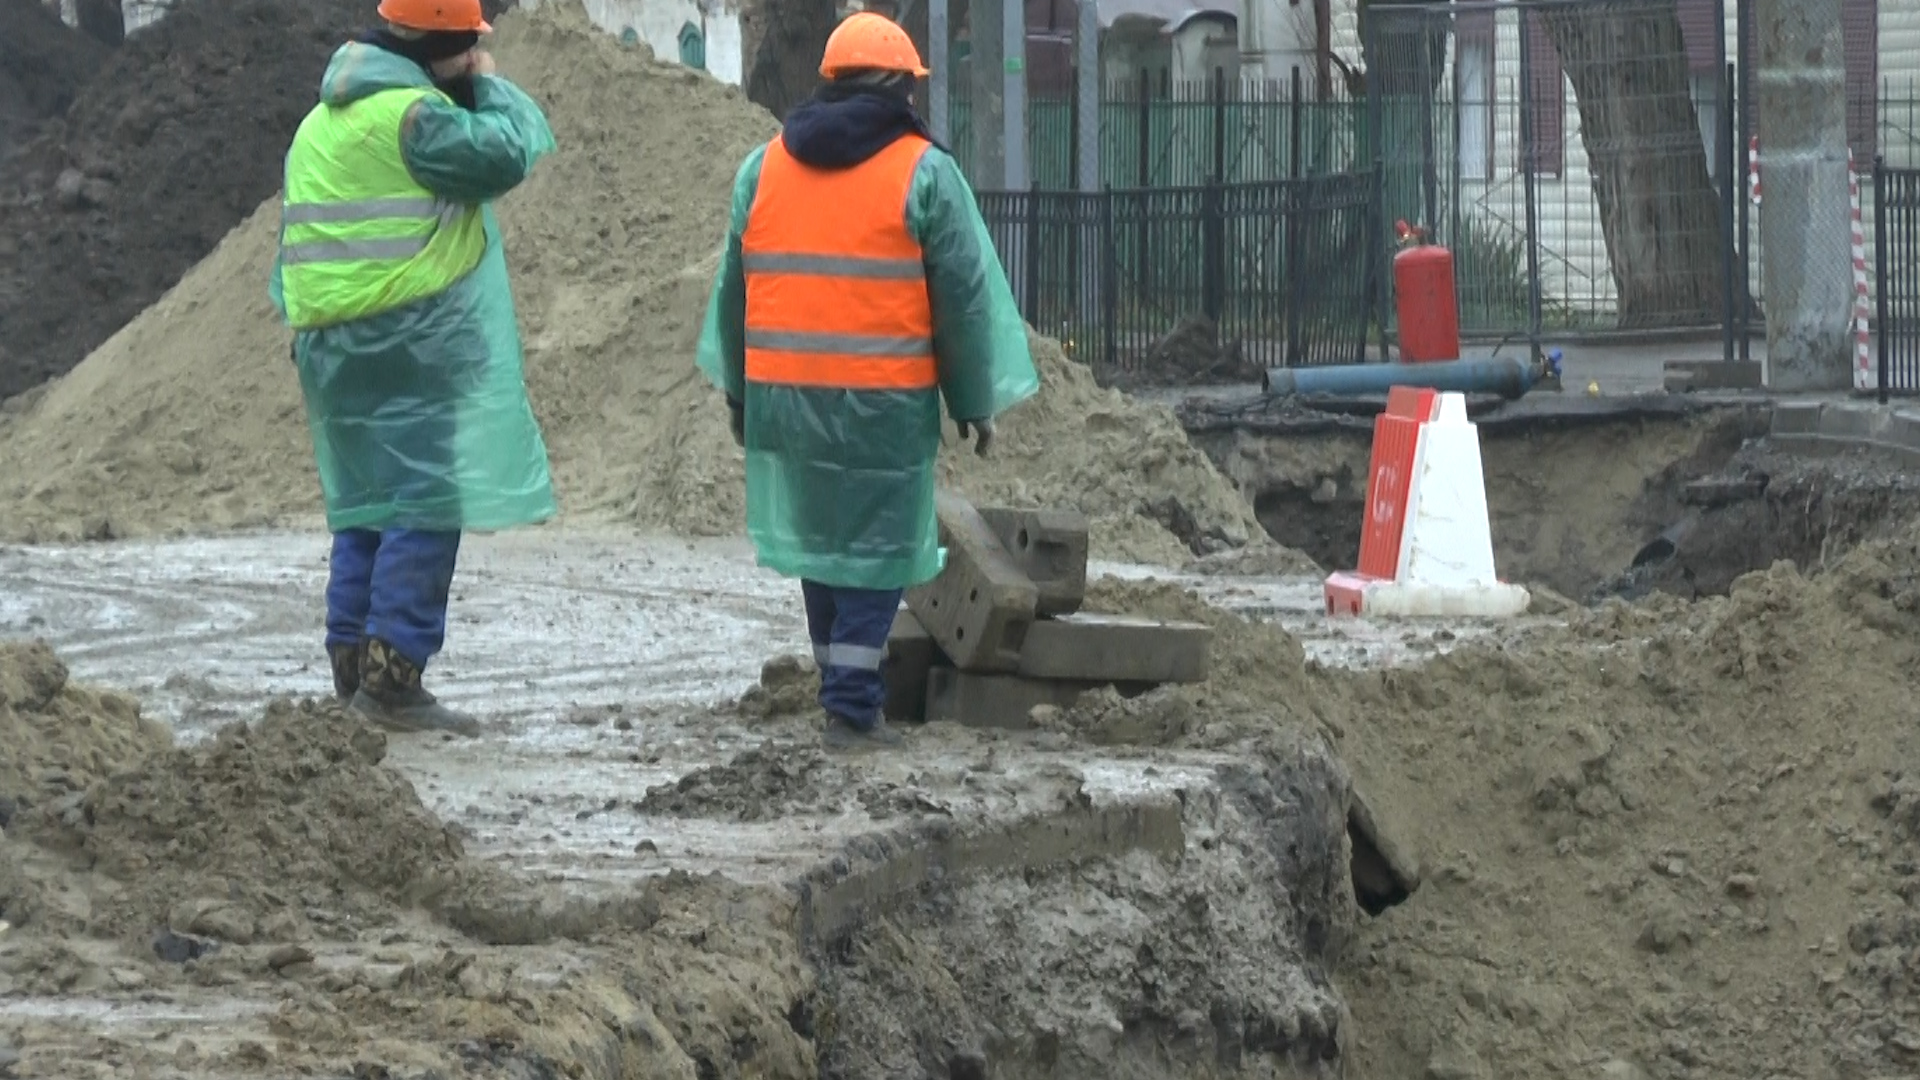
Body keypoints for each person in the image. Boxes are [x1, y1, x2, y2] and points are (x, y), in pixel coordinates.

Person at [695, 12, 1039, 750]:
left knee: (822, 542)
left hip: (786, 396)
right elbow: (965, 301)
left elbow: (735, 292)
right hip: (879, 401)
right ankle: (851, 708)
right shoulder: (925, 173)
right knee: (877, 550)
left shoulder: (764, 167)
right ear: (899, 87)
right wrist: (975, 402)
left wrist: (738, 391)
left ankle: (838, 685)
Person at [270, 0, 558, 736]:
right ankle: (393, 678)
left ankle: (351, 665)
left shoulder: (317, 125)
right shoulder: (414, 119)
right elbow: (503, 154)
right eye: (466, 49)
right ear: (439, 45)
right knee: (427, 499)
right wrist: (490, 86)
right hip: (410, 341)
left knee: (367, 504)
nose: (471, 59)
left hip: (332, 350)